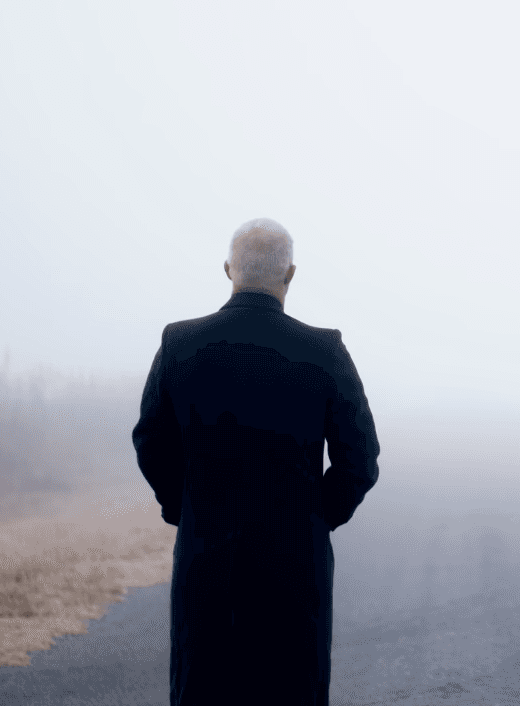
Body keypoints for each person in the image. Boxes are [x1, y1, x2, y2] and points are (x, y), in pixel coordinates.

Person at [132, 217, 380, 706]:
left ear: (228, 270)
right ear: (290, 275)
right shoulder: (324, 351)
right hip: (295, 571)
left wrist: (185, 509)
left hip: (206, 567)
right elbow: (361, 460)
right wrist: (314, 517)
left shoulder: (179, 344)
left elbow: (150, 442)